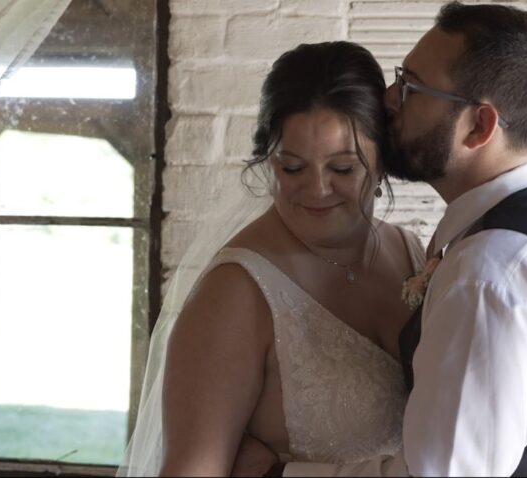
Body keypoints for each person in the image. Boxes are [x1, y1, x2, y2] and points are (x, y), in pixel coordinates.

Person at [235, 2, 527, 476]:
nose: (389, 98)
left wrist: (276, 474)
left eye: (412, 87)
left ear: (479, 126)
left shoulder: (488, 272)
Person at [117, 41, 428, 476]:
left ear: (381, 164)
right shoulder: (235, 294)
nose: (317, 190)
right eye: (293, 168)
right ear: (268, 161)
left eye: (342, 169)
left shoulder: (414, 253)